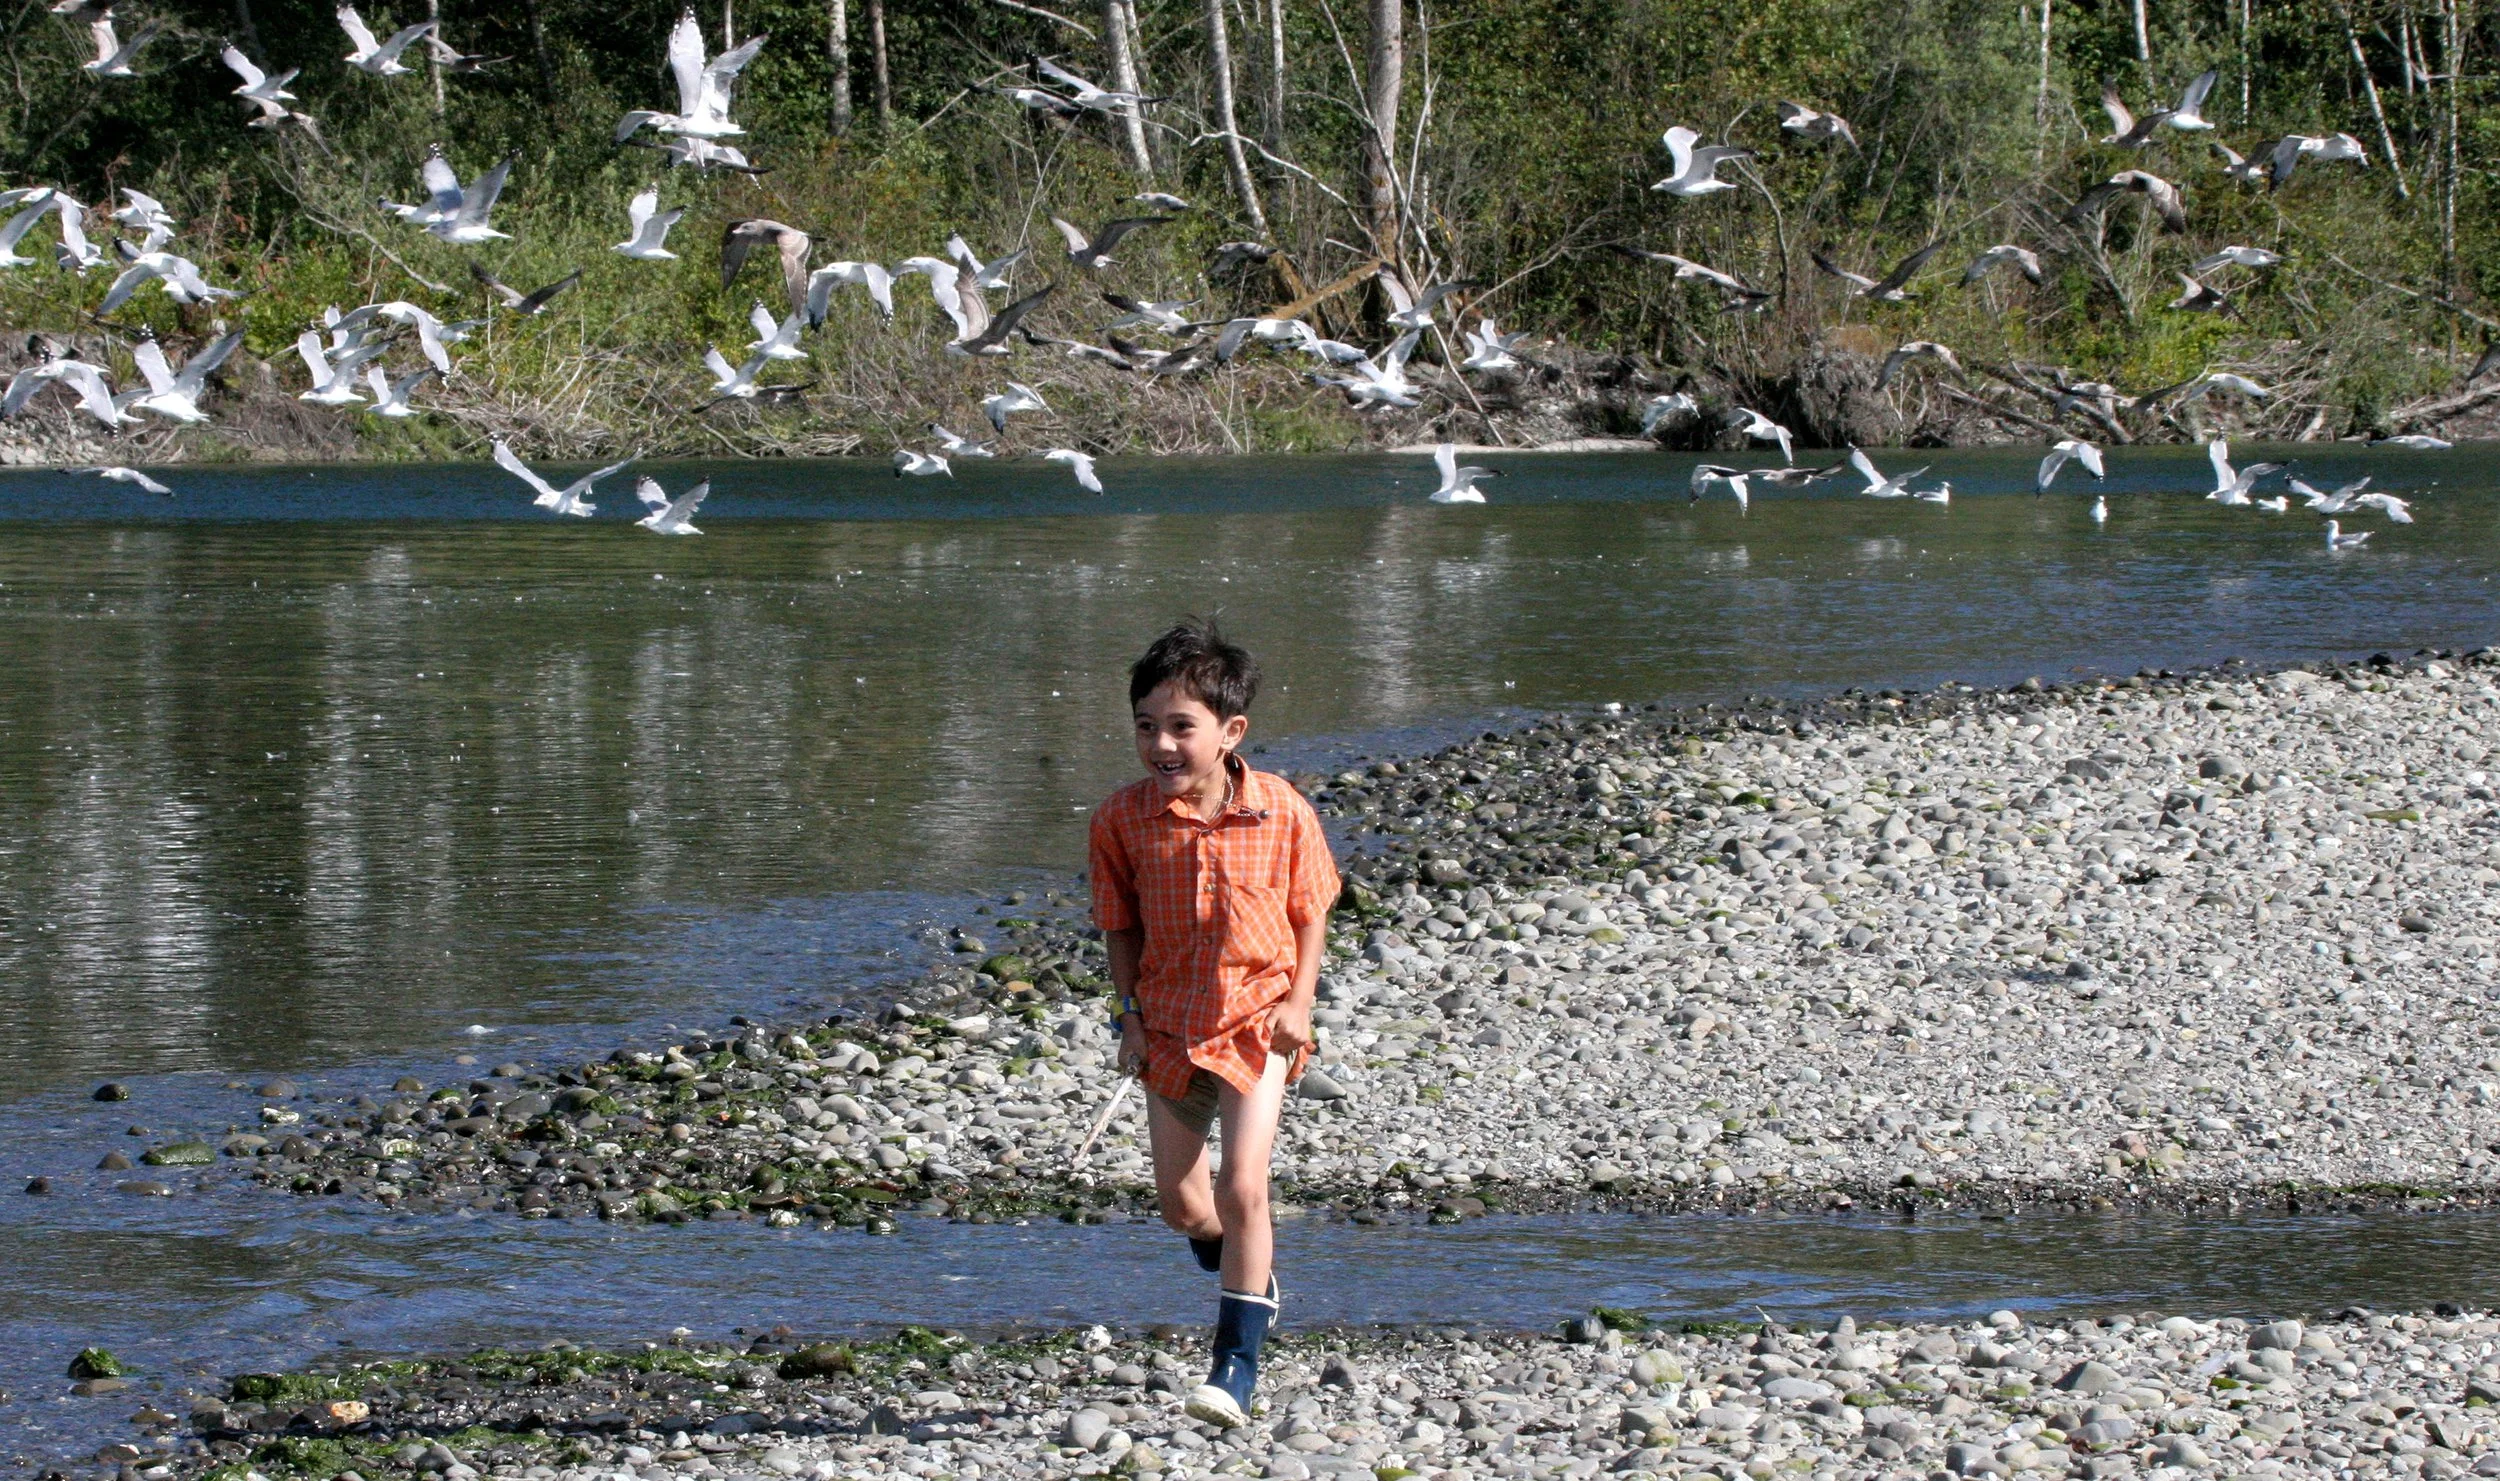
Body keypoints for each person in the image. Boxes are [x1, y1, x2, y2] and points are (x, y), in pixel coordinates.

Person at [1088, 616, 1340, 1429]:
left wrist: (1298, 1004)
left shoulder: (1282, 811)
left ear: (1231, 731)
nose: (1161, 743)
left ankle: (1233, 1369)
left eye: (1180, 727)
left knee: (1243, 1187)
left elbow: (1311, 911)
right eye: (1145, 726)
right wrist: (1129, 1017)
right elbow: (1118, 925)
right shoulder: (1122, 820)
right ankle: (1249, 1274)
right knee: (1182, 1204)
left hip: (1255, 1023)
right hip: (1165, 1026)